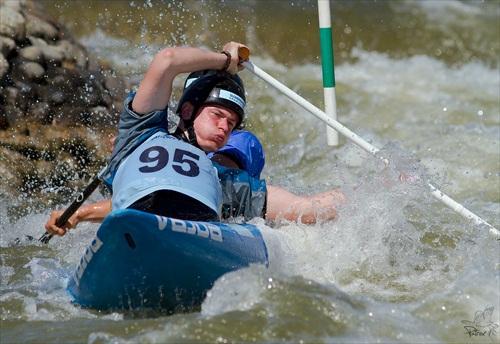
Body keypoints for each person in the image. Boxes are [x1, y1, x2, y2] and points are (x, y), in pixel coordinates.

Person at [45, 41, 250, 237]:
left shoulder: (219, 175)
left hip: (196, 231)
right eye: (217, 115)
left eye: (231, 123)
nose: (224, 127)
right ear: (187, 111)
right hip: (140, 222)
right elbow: (167, 60)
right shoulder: (142, 131)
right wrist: (225, 61)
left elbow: (280, 203)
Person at [45, 129, 346, 234]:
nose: (222, 165)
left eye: (233, 162)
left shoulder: (243, 190)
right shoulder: (197, 166)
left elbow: (307, 208)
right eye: (221, 157)